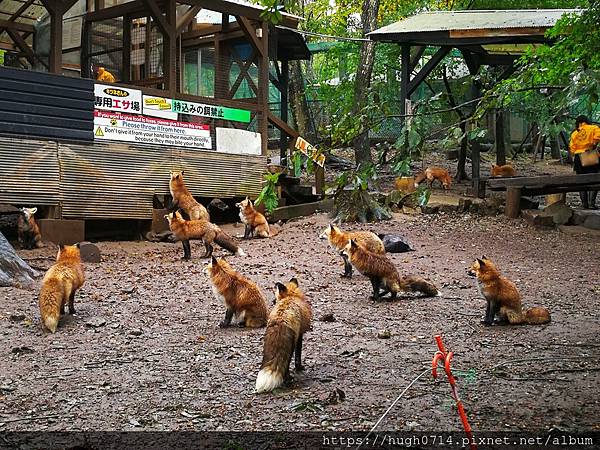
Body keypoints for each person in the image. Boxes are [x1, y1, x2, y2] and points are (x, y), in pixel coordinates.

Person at [569, 115, 600, 209]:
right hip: (590, 155)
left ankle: (584, 204)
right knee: (595, 179)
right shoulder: (594, 128)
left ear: (578, 123)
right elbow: (597, 137)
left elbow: (572, 148)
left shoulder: (574, 133)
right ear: (587, 121)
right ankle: (592, 203)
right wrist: (592, 145)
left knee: (581, 181)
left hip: (579, 158)